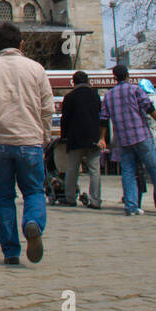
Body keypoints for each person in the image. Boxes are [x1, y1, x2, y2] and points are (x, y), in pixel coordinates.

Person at [0, 23, 54, 265]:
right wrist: (44, 136)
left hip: (0, 144)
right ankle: (33, 223)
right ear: (21, 44)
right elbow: (47, 108)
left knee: (4, 197)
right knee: (34, 191)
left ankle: (11, 252)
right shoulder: (36, 69)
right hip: (30, 141)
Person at [99, 64, 156, 216]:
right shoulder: (135, 89)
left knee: (128, 172)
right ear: (128, 75)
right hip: (141, 135)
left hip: (123, 138)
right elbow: (149, 109)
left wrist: (102, 137)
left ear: (114, 77)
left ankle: (131, 206)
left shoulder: (109, 95)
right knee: (155, 169)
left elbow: (103, 118)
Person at [61, 70, 104, 209]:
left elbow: (65, 119)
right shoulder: (95, 96)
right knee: (94, 170)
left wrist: (64, 137)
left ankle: (70, 198)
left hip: (75, 138)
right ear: (87, 81)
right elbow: (100, 116)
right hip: (93, 137)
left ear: (74, 82)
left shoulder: (69, 97)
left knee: (72, 168)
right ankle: (95, 200)